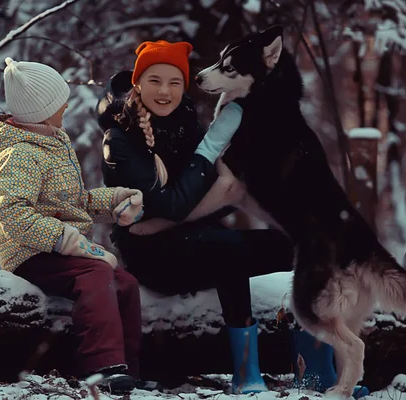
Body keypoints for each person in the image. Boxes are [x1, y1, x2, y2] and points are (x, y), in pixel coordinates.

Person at [96, 40, 296, 394]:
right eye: (155, 80)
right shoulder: (119, 139)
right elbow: (171, 203)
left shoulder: (185, 120)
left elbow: (223, 197)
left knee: (297, 247)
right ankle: (247, 373)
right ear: (138, 83)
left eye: (174, 82)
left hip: (195, 240)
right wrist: (209, 153)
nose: (165, 91)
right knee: (228, 249)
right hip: (151, 256)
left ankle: (320, 369)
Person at [0, 57, 145, 394]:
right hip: (32, 254)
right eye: (60, 103)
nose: (66, 106)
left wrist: (115, 200)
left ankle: (130, 366)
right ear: (41, 111)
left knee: (125, 283)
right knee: (96, 274)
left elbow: (75, 204)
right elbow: (14, 215)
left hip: (62, 251)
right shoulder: (21, 153)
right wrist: (65, 240)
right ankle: (102, 365)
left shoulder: (52, 142)